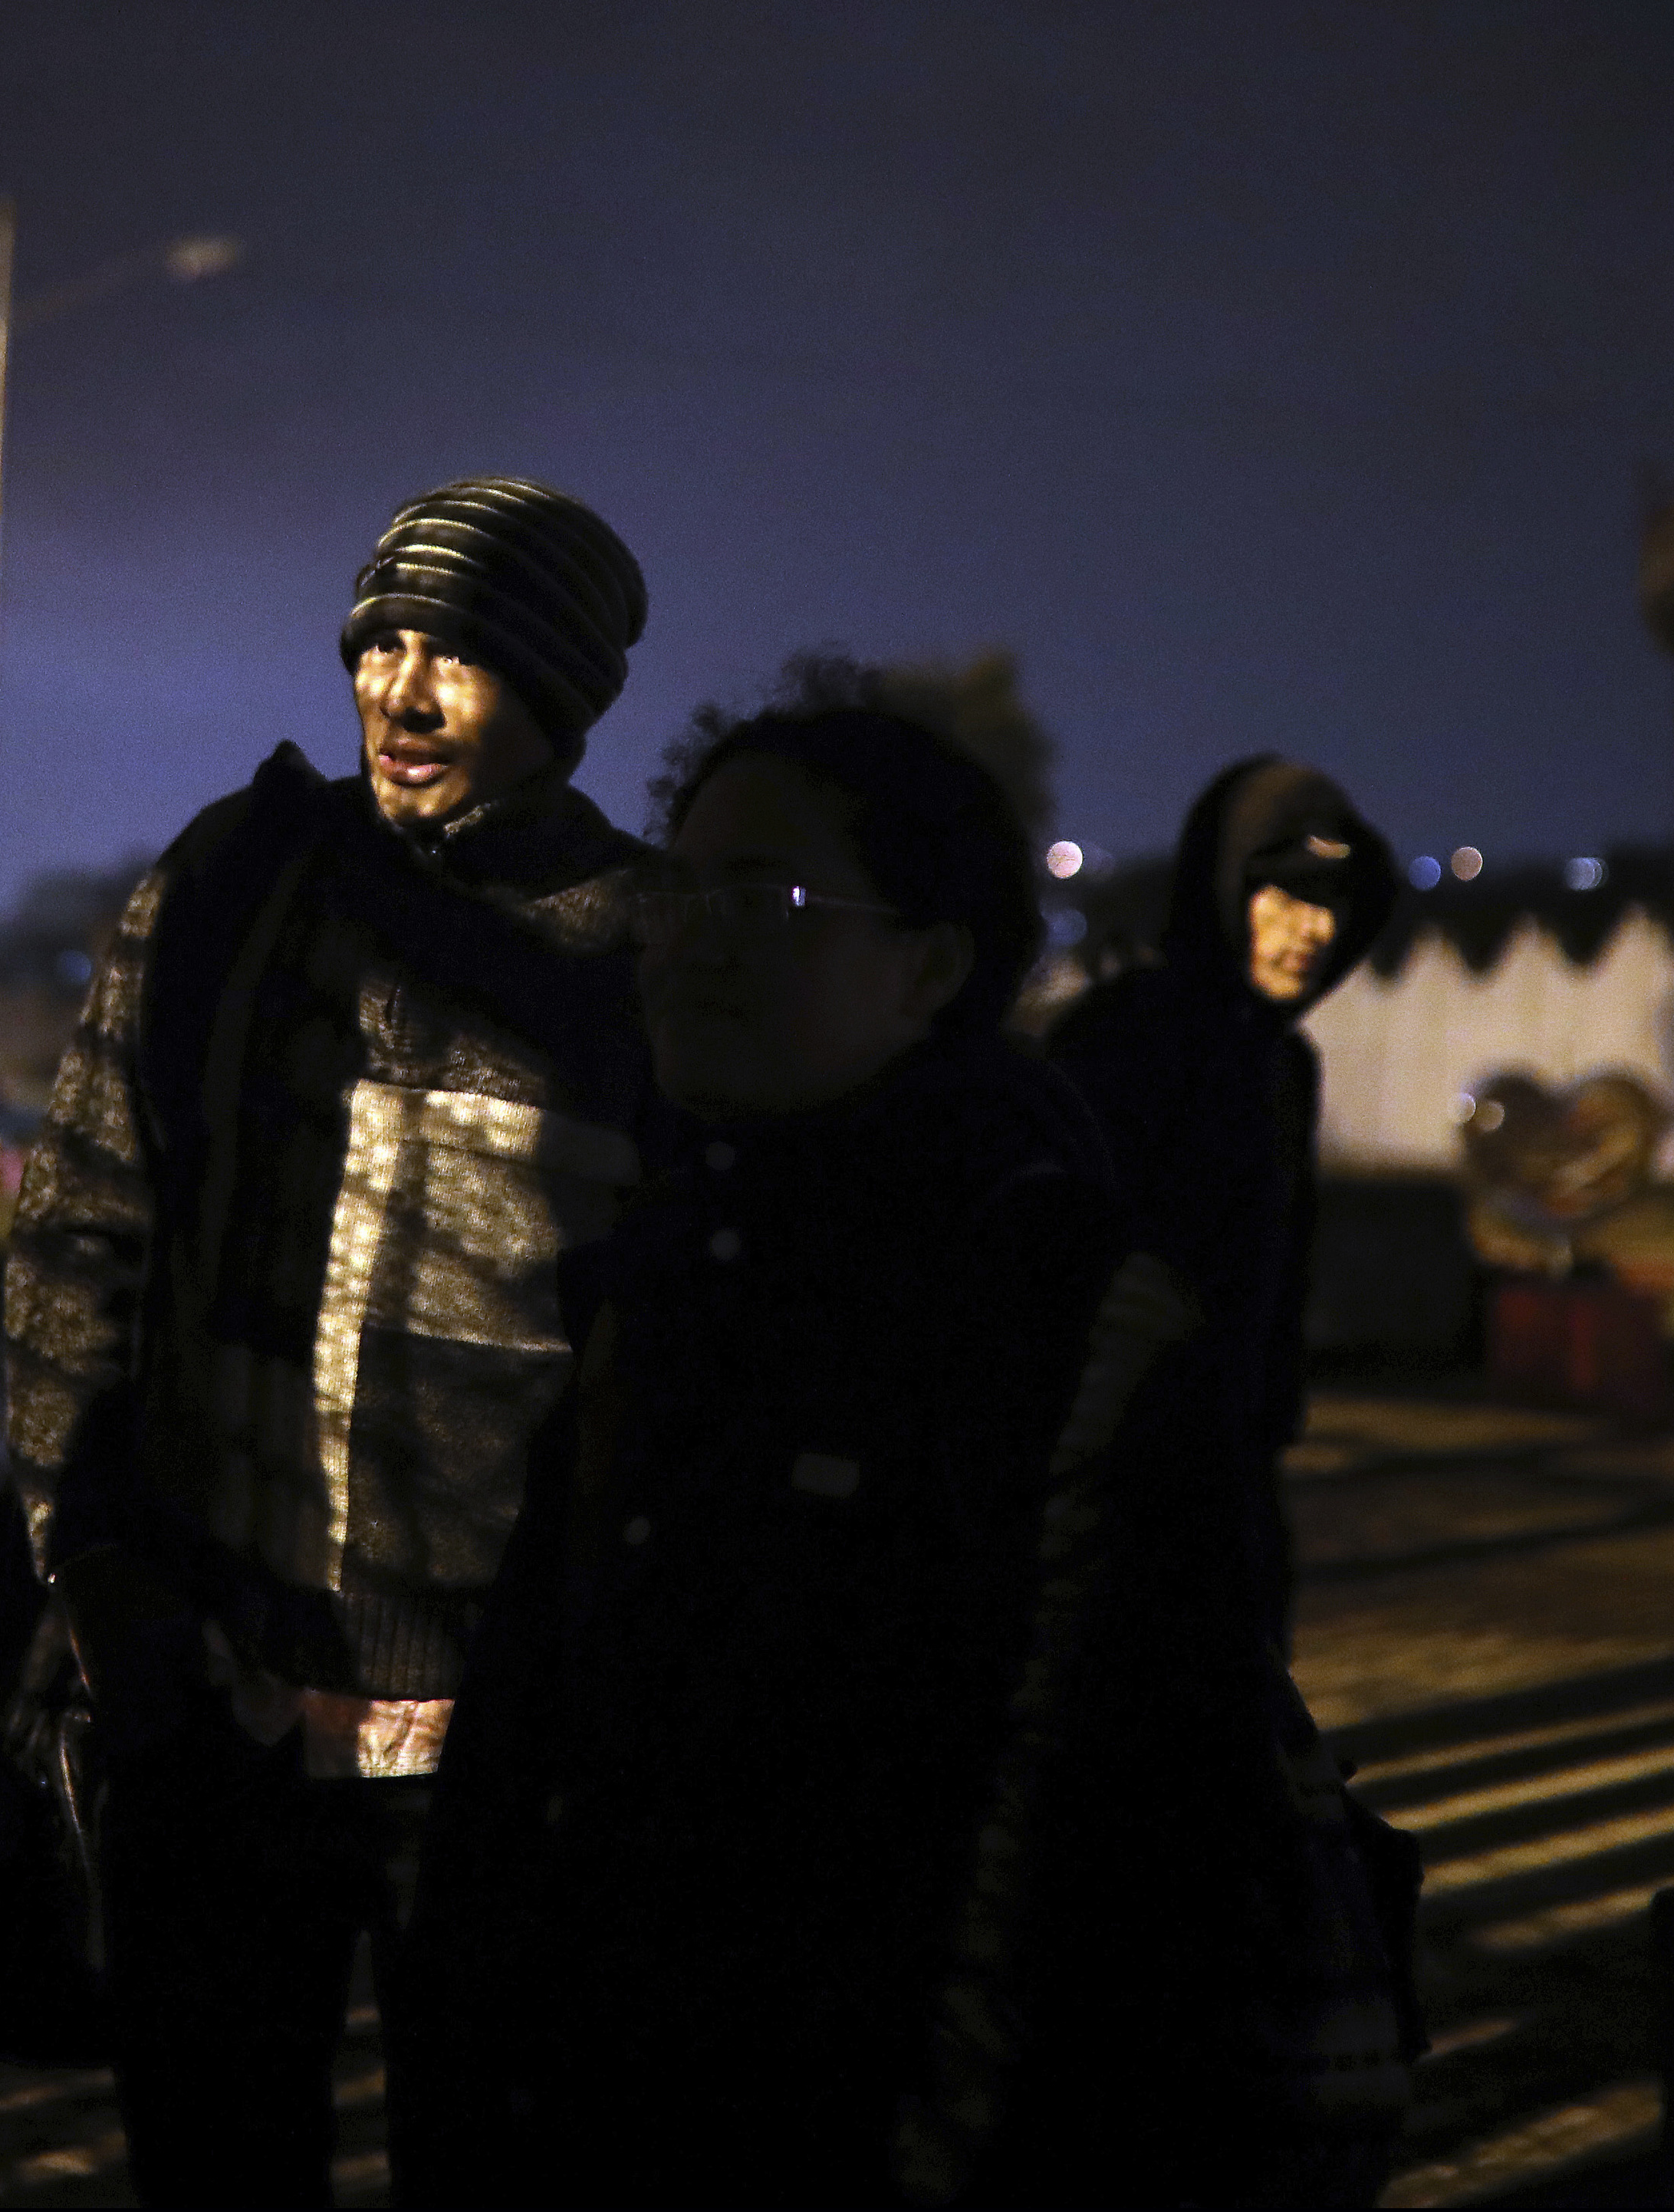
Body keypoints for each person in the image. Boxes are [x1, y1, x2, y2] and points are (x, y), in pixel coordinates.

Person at [411, 665, 1413, 2207]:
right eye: (677, 889)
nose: (693, 941)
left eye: (770, 893)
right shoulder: (649, 1282)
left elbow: (1110, 1875)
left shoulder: (1048, 1325)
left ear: (933, 966)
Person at [0, 475, 655, 2205]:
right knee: (217, 2152)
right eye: (385, 643)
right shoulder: (236, 884)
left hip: (498, 1741)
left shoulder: (640, 950)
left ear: (566, 699)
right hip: (209, 1690)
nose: (404, 693)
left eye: (462, 659)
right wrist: (97, 1581)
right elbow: (79, 1226)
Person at [1043, 758, 1399, 1653]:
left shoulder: (1285, 1064)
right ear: (1220, 888)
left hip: (1234, 1475)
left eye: (1330, 900)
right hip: (1107, 1479)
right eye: (1278, 894)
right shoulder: (1127, 1036)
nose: (1307, 928)